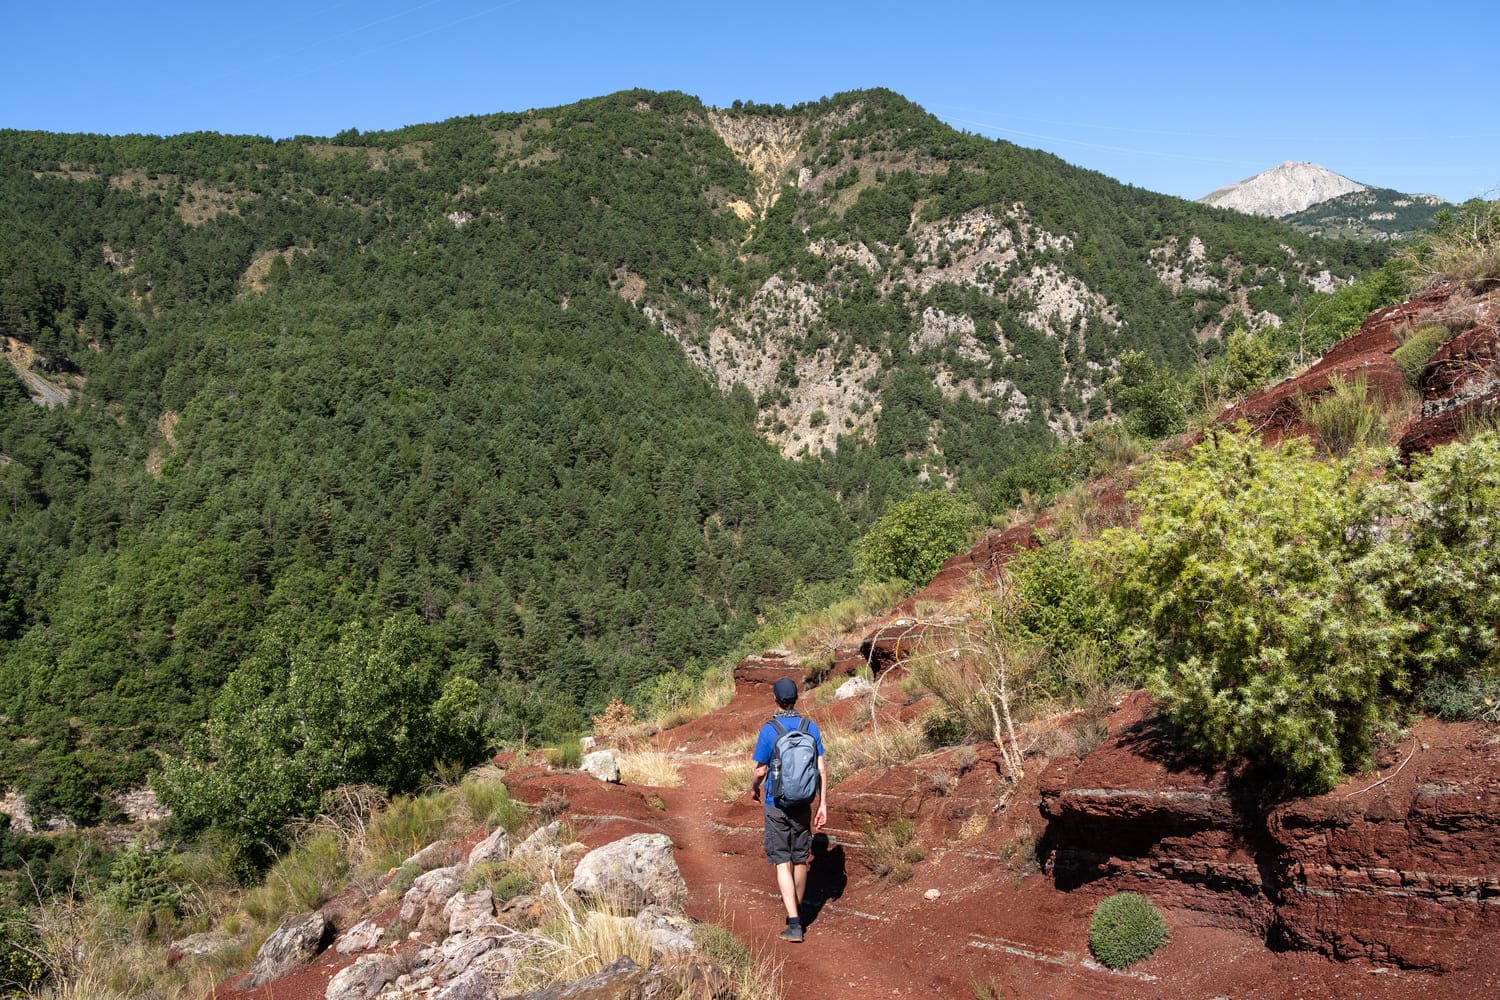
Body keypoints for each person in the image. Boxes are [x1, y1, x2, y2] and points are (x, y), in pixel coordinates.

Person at [748, 676, 827, 943]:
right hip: (804, 803)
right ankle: (800, 913)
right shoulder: (810, 727)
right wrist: (823, 803)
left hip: (776, 805)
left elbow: (761, 769)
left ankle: (793, 922)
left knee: (782, 860)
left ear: (775, 700)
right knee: (801, 858)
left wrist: (754, 788)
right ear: (796, 698)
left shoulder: (770, 729)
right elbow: (821, 767)